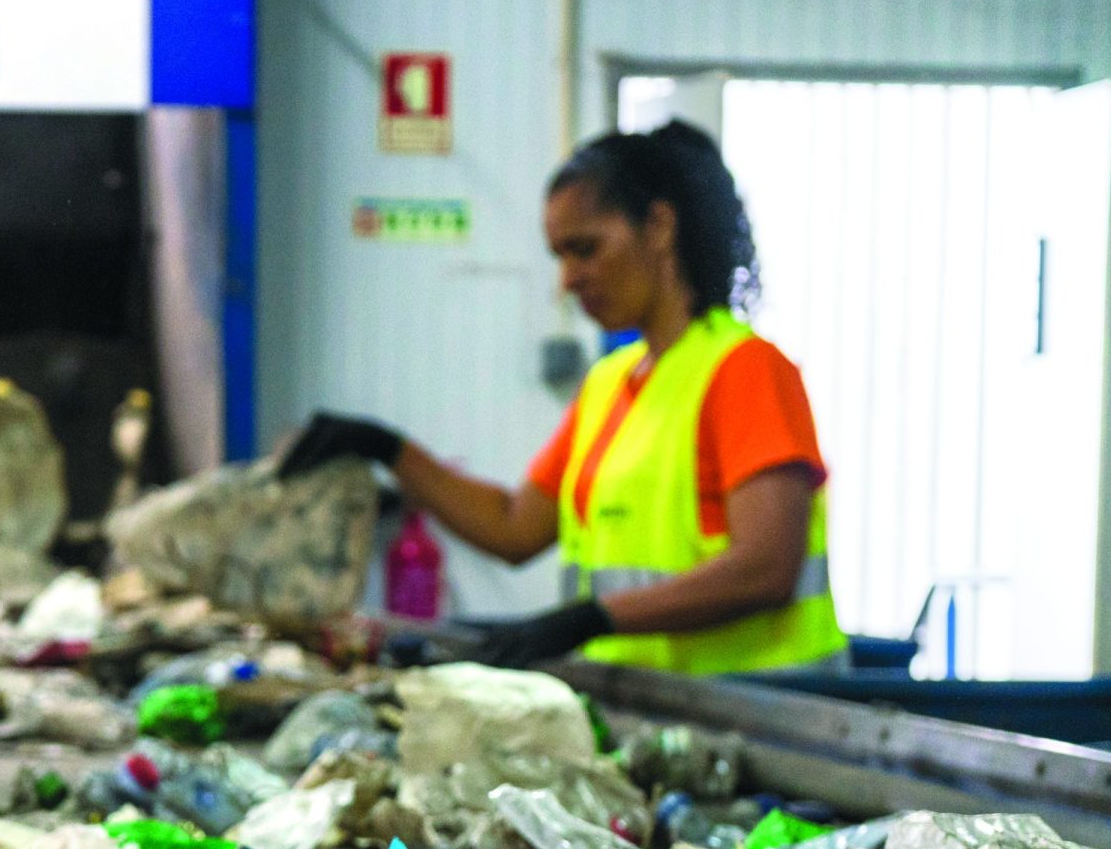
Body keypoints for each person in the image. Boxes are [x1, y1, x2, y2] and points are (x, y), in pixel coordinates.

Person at [280, 120, 846, 673]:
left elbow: (766, 566)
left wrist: (593, 618)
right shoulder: (610, 383)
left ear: (660, 227)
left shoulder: (744, 370)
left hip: (770, 713)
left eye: (586, 249)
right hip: (659, 706)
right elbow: (514, 526)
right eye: (560, 256)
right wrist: (386, 447)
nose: (569, 279)